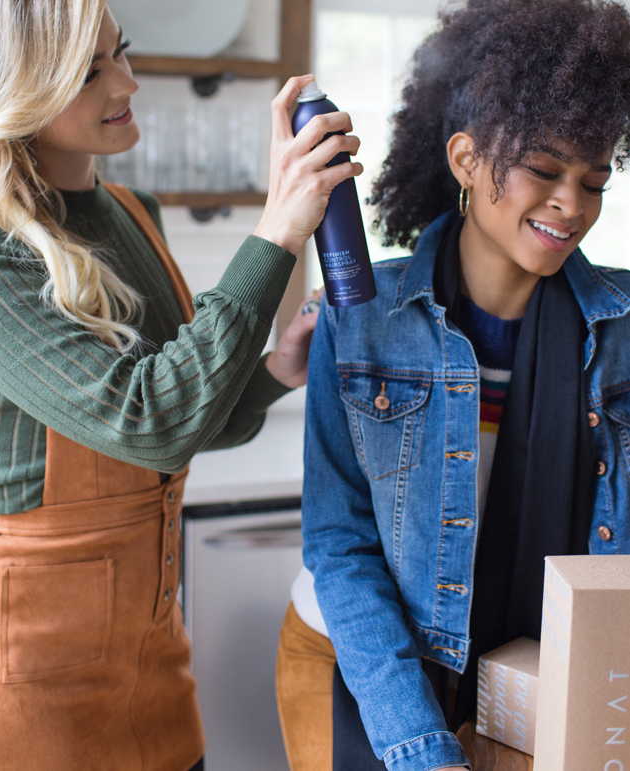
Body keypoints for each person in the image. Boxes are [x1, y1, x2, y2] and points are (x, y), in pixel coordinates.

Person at [0, 1, 363, 769]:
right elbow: (147, 420)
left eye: (121, 52)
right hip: (32, 685)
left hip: (155, 659)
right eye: (89, 71)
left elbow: (193, 419)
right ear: (19, 89)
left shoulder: (132, 214)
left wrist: (273, 372)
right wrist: (277, 229)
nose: (127, 80)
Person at [275, 0, 630, 769]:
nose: (571, 204)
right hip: (366, 666)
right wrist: (419, 744)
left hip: (545, 677)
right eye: (542, 169)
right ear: (466, 158)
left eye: (593, 181)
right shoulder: (361, 320)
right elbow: (342, 545)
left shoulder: (623, 331)